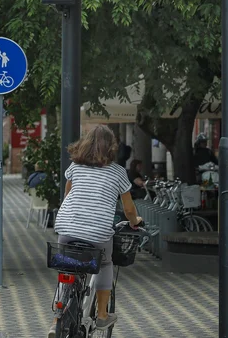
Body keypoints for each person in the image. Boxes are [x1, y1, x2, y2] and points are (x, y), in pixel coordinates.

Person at [49, 125, 143, 336]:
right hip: (98, 231)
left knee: (67, 267)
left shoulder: (75, 167)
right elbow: (128, 209)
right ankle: (101, 315)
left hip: (67, 227)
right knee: (105, 263)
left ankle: (56, 318)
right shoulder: (118, 172)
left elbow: (67, 196)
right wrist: (135, 220)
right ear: (112, 147)